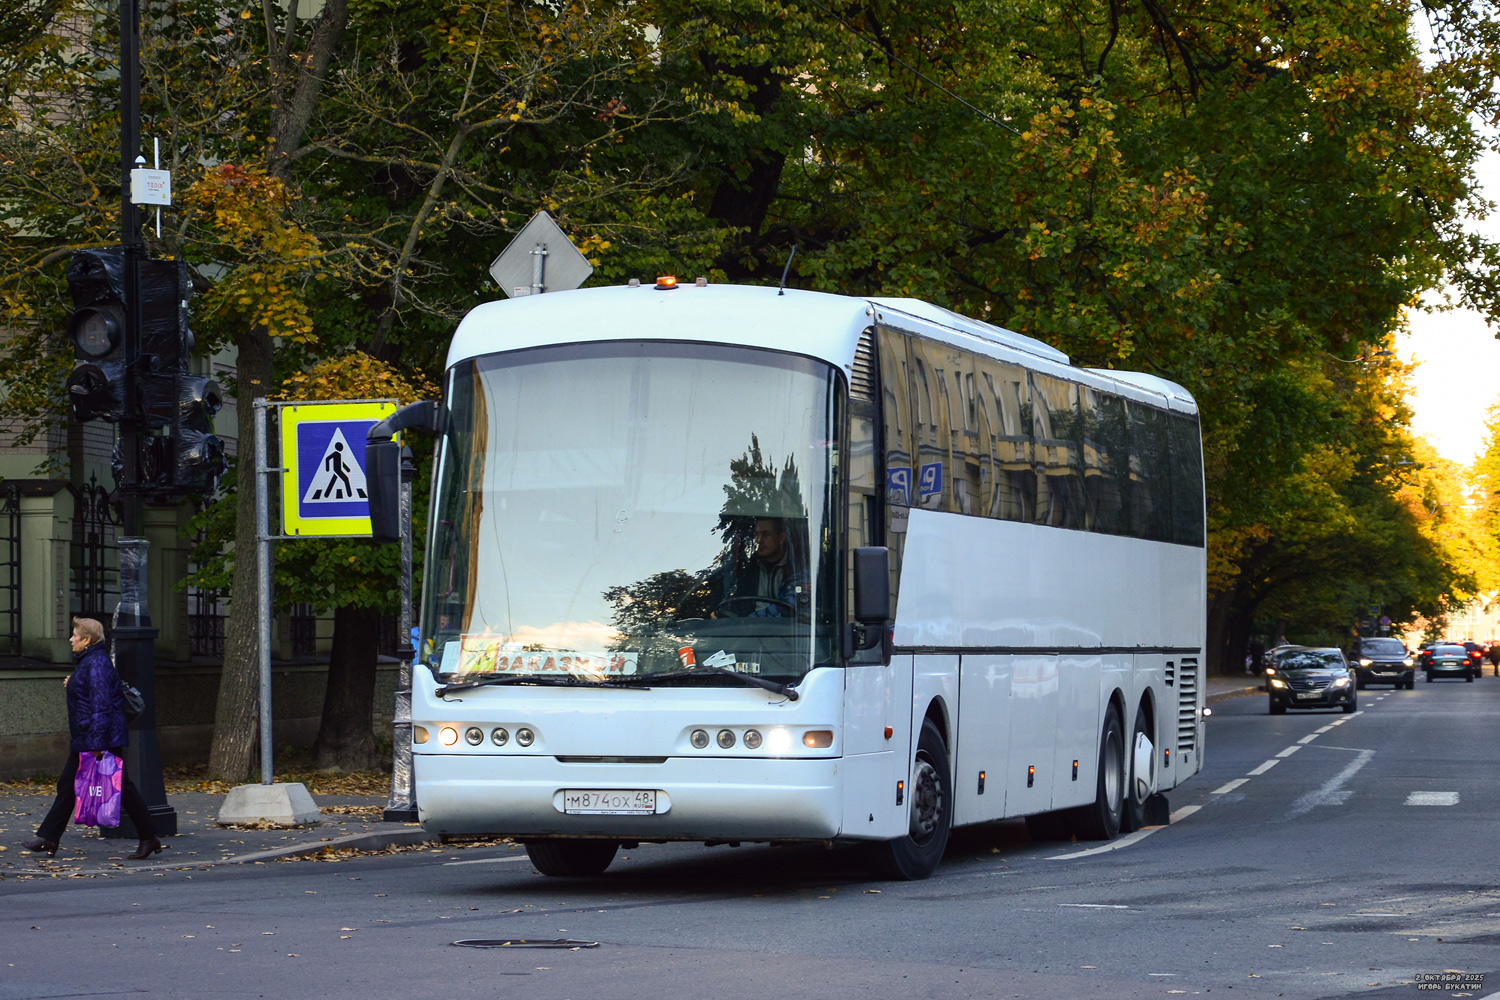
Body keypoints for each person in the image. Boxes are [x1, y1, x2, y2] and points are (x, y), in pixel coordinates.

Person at [23, 618, 162, 860]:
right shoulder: (91, 662)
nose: (70, 639)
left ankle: (149, 838)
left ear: (87, 640)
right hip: (88, 738)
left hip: (98, 739)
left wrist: (98, 744)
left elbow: (101, 706)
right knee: (67, 787)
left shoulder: (96, 663)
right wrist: (72, 684)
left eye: (74, 635)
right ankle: (49, 838)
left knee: (124, 789)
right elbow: (90, 694)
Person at [716, 517, 809, 619]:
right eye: (756, 535)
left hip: (788, 632)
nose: (759, 540)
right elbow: (735, 605)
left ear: (781, 538)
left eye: (766, 534)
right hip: (747, 633)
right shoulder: (747, 572)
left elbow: (792, 606)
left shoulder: (798, 569)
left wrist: (748, 622)